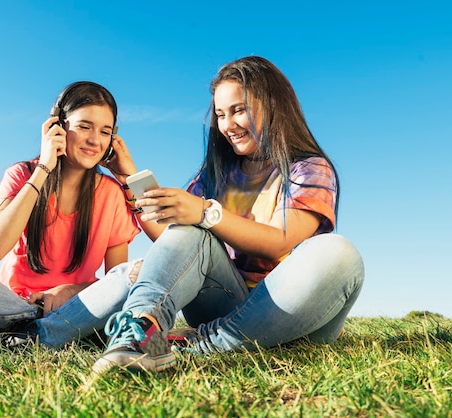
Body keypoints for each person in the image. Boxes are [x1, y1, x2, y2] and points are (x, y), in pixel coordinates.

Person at [92, 56, 365, 373]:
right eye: (221, 115)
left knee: (340, 254)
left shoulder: (309, 169)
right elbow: (175, 243)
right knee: (189, 229)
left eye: (238, 110)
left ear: (275, 106)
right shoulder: (216, 173)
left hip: (292, 309)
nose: (227, 125)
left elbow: (280, 241)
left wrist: (206, 212)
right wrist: (129, 178)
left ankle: (200, 344)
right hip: (222, 299)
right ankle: (138, 337)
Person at [0, 81, 143, 352]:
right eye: (84, 126)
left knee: (135, 274)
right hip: (10, 308)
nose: (95, 140)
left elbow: (116, 278)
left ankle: (6, 342)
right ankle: (46, 335)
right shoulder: (21, 174)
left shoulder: (112, 193)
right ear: (57, 127)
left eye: (105, 132)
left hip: (74, 307)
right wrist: (43, 168)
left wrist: (69, 291)